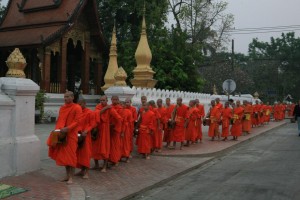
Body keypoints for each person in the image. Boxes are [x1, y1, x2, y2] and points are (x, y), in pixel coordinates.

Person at [47, 91, 82, 184]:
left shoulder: (77, 107)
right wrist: (57, 131)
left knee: (71, 156)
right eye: (65, 97)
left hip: (71, 134)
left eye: (67, 97)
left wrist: (68, 128)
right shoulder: (62, 108)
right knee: (65, 156)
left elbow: (78, 121)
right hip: (62, 133)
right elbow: (60, 120)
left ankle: (71, 177)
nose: (65, 98)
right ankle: (67, 176)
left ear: (72, 97)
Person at [92, 95, 121, 172]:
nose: (102, 102)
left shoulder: (110, 108)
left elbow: (118, 117)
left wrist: (115, 126)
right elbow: (96, 114)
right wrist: (105, 108)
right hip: (98, 129)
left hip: (105, 130)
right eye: (101, 100)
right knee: (95, 147)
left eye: (104, 100)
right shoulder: (99, 106)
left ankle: (104, 166)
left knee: (105, 147)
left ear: (107, 100)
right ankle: (96, 164)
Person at [75, 95, 95, 179]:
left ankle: (86, 172)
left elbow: (92, 124)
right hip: (78, 134)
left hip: (86, 135)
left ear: (84, 103)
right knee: (79, 153)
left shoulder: (90, 112)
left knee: (86, 153)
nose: (79, 106)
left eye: (80, 104)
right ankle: (82, 170)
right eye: (78, 104)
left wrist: (86, 131)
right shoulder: (77, 112)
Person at [109, 96, 124, 168]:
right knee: (110, 145)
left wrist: (121, 131)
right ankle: (110, 159)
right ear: (111, 100)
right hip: (109, 128)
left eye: (116, 100)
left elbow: (120, 120)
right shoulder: (109, 107)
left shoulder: (120, 108)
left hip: (116, 129)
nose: (114, 101)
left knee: (115, 145)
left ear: (118, 100)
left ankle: (116, 160)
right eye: (113, 99)